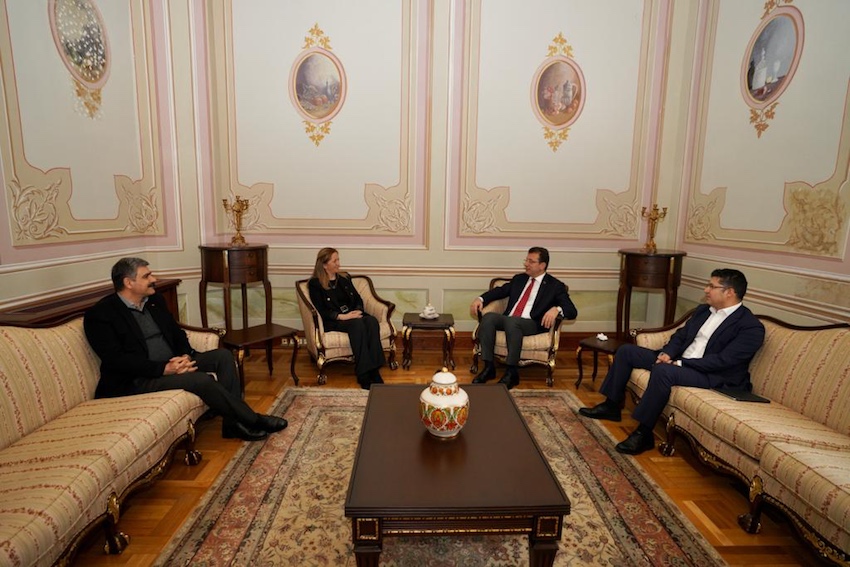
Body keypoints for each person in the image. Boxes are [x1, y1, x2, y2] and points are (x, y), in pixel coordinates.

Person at [84, 257, 288, 442]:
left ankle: (232, 424)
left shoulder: (154, 301)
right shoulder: (101, 314)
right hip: (139, 378)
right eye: (147, 276)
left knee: (223, 356)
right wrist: (164, 368)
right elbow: (117, 360)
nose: (154, 279)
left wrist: (185, 355)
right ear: (129, 283)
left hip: (175, 362)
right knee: (200, 380)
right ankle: (253, 419)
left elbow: (176, 332)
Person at [579, 268, 765, 455]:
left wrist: (680, 364)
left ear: (730, 292)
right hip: (680, 362)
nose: (706, 290)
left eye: (712, 286)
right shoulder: (703, 311)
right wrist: (667, 353)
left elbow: (724, 361)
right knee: (627, 351)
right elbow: (680, 336)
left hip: (711, 375)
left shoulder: (750, 327)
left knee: (663, 371)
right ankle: (611, 406)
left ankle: (643, 433)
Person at [469, 246, 578, 389]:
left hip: (532, 323)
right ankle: (489, 367)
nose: (526, 264)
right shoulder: (519, 279)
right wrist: (480, 299)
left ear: (542, 265)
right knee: (488, 317)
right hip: (510, 319)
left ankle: (511, 372)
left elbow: (572, 310)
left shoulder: (555, 286)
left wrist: (557, 309)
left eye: (531, 261)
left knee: (512, 322)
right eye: (526, 260)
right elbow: (500, 291)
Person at [308, 248, 386, 389]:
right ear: (324, 265)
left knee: (372, 321)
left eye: (338, 259)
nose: (338, 263)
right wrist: (343, 316)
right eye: (335, 261)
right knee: (357, 325)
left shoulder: (344, 278)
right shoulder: (315, 284)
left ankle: (374, 369)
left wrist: (357, 310)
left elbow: (357, 298)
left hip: (352, 315)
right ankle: (363, 374)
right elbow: (321, 310)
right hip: (335, 320)